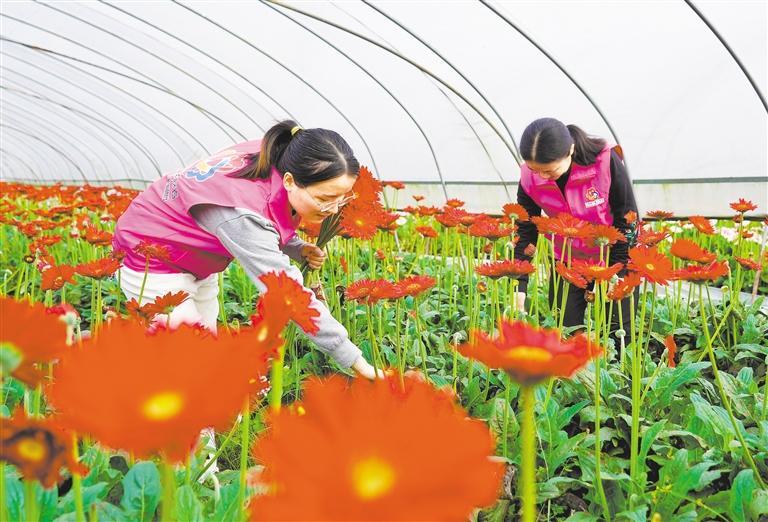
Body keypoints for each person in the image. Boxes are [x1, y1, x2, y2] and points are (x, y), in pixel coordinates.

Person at [512, 117, 639, 332]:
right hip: (567, 260)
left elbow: (627, 218)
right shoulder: (528, 177)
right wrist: (519, 284)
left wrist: (615, 272)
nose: (542, 176)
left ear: (570, 150)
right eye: (535, 170)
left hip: (615, 255)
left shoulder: (605, 162)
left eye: (549, 170)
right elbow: (526, 228)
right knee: (565, 330)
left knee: (618, 332)